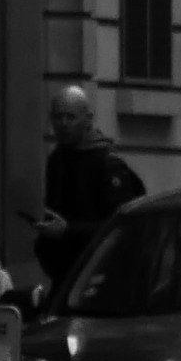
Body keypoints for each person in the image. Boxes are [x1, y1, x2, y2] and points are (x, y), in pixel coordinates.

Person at [35, 82, 144, 290]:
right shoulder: (57, 160)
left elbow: (118, 226)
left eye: (71, 117)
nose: (64, 124)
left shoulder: (108, 163)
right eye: (58, 117)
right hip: (67, 275)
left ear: (87, 119)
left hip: (103, 277)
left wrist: (68, 231)